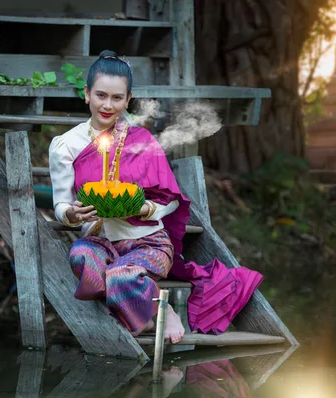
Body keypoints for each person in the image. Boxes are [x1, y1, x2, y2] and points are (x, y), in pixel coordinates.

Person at [49, 50, 263, 344]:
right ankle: (145, 316)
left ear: (128, 99)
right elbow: (60, 204)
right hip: (100, 241)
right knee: (80, 256)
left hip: (147, 241)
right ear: (86, 94)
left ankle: (156, 310)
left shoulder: (141, 140)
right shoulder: (65, 145)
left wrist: (147, 208)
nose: (107, 105)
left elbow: (170, 199)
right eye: (100, 95)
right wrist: (72, 215)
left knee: (122, 277)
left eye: (117, 98)